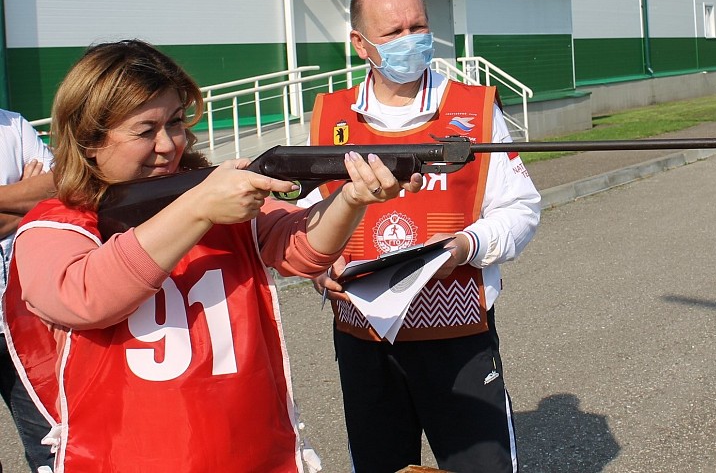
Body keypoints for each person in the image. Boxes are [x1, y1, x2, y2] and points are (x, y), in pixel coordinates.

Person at [1, 39, 422, 472]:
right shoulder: (56, 224)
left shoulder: (210, 194)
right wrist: (197, 209)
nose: (168, 144)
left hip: (254, 455)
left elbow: (300, 249)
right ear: (89, 139)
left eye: (175, 122)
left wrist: (351, 199)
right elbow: (84, 296)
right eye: (145, 131)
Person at [299, 0, 541, 473]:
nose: (410, 40)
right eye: (393, 33)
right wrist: (318, 266)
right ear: (360, 43)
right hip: (362, 339)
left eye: (419, 27)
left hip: (456, 334)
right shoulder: (329, 115)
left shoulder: (476, 108)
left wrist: (466, 246)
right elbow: (306, 219)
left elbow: (521, 209)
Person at [0, 107, 57, 472]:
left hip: (23, 320)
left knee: (52, 442)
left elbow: (57, 191)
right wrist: (24, 197)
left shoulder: (13, 125)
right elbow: (40, 201)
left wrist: (40, 199)